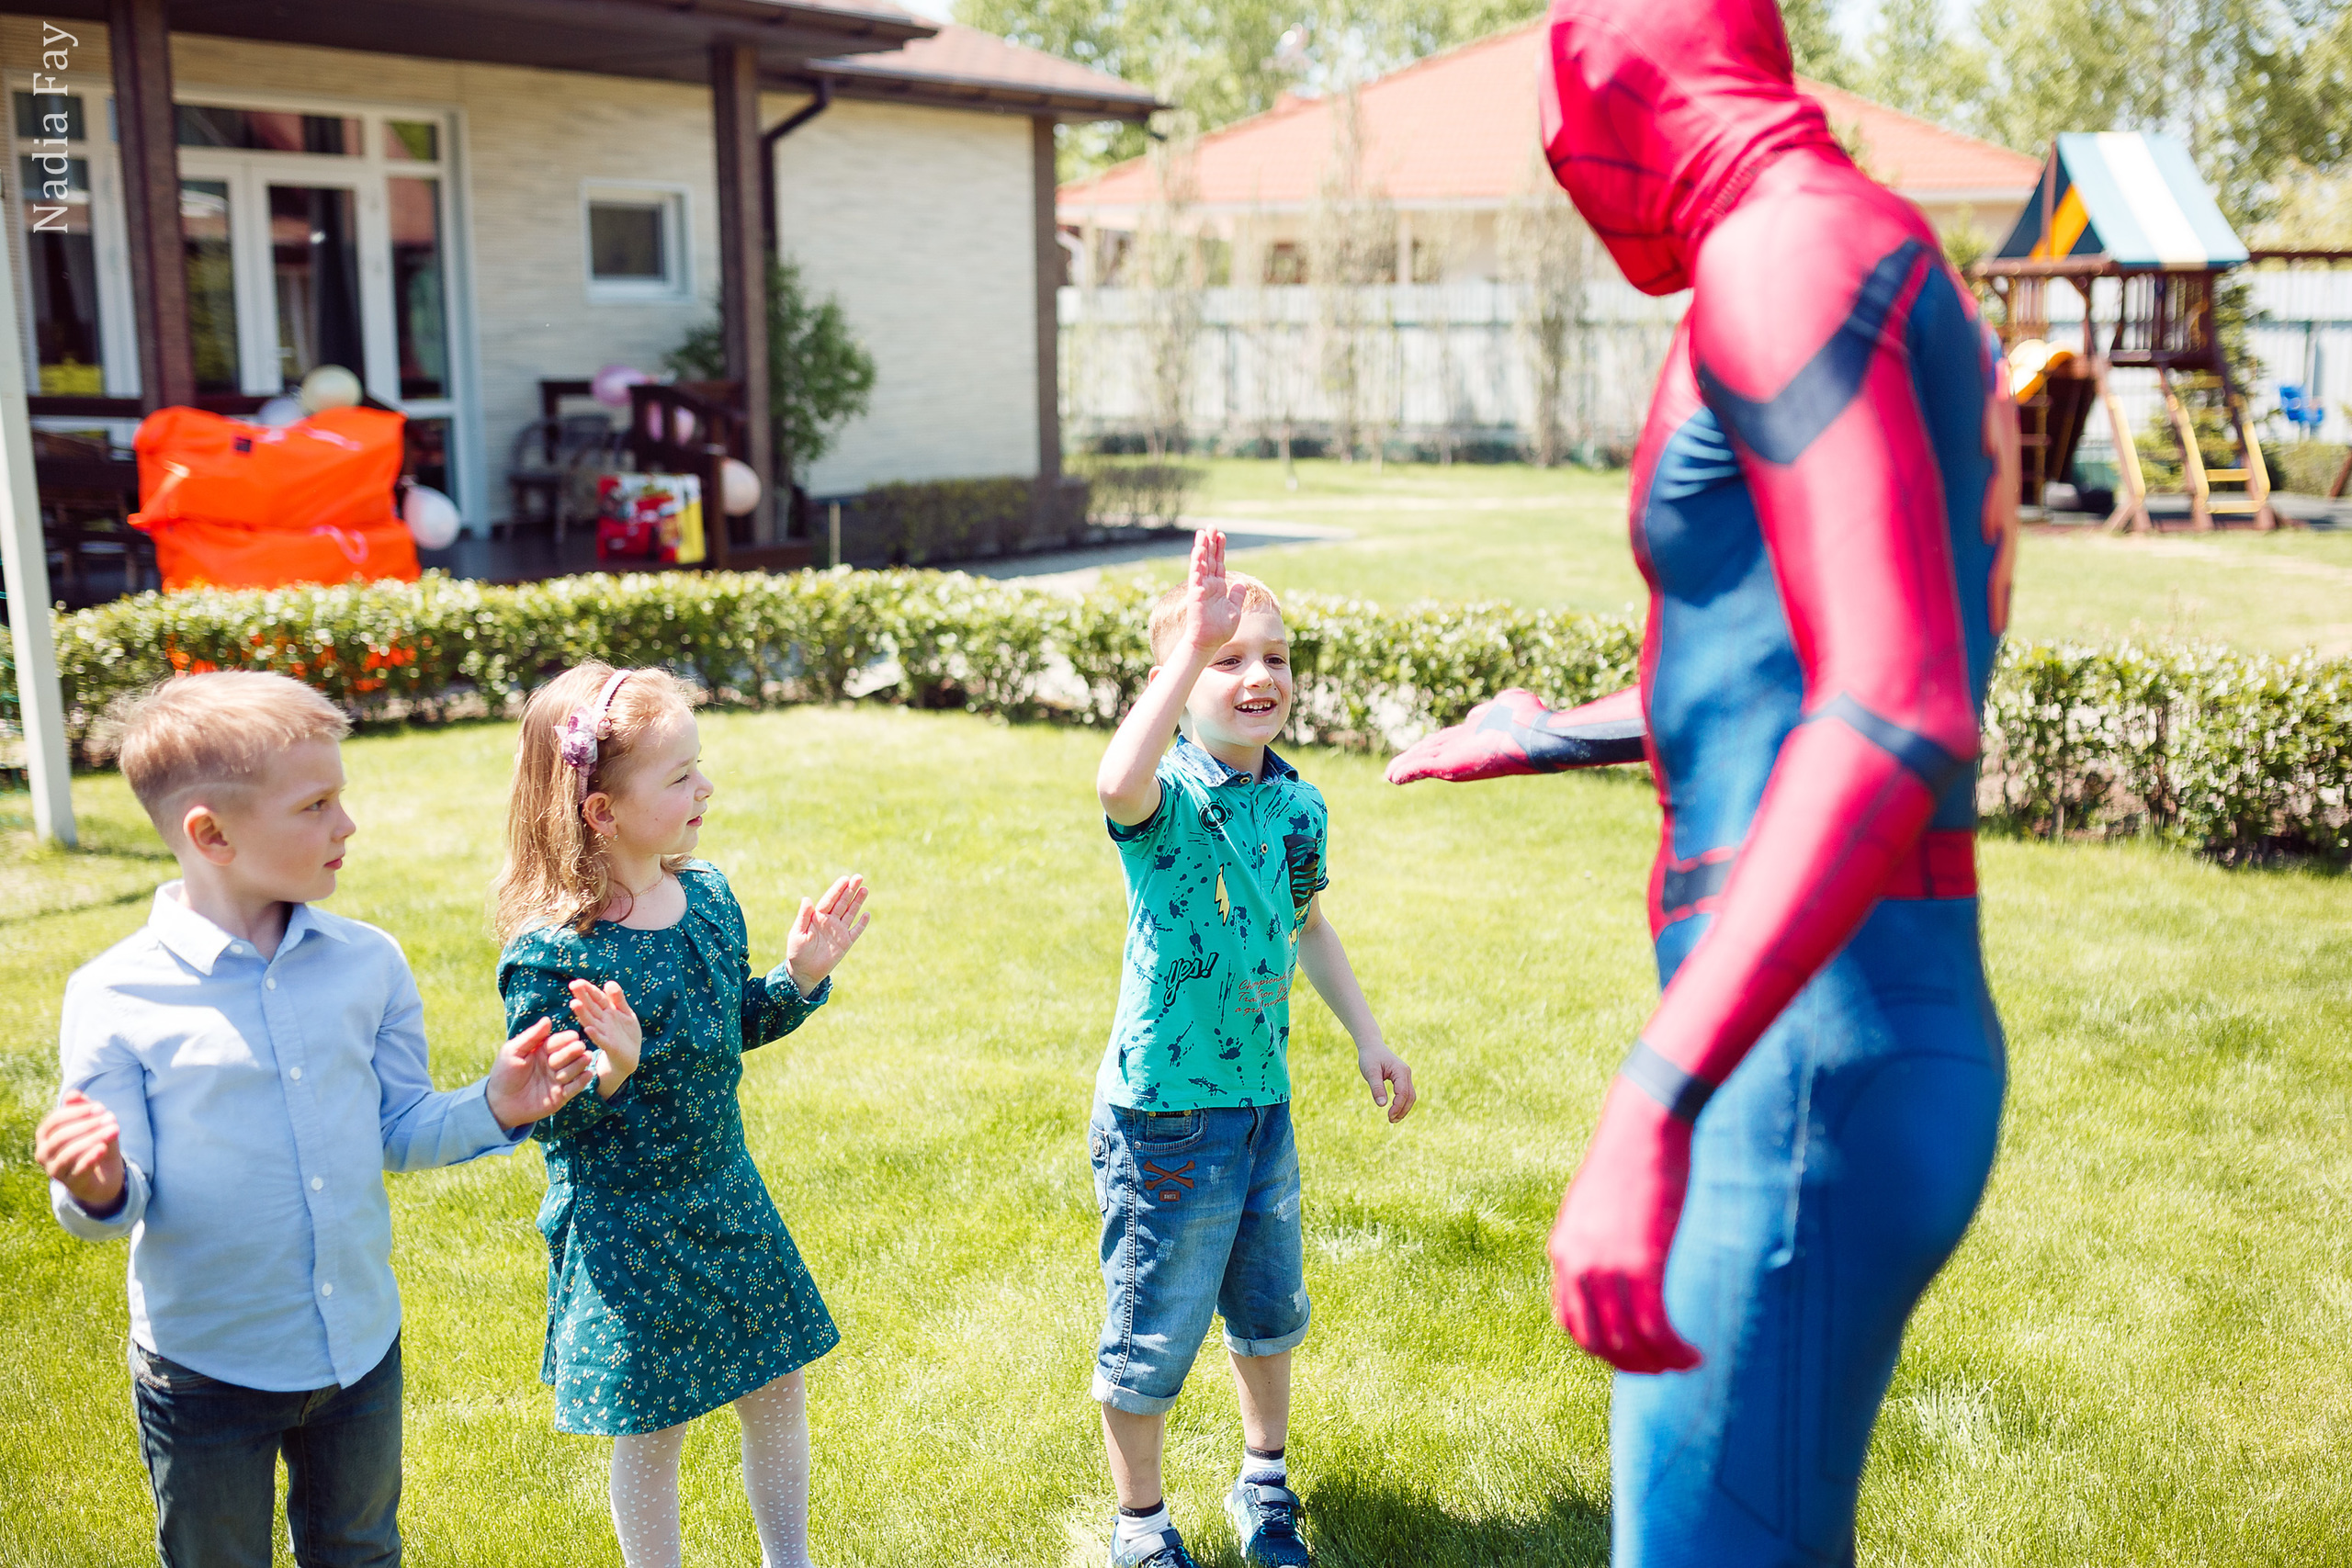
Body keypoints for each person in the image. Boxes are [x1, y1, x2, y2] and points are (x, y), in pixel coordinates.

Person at [1386, 0, 2023, 1562]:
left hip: (1809, 1051)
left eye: (1561, 151)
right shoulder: (1857, 242)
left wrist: (1656, 1099)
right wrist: (1560, 728)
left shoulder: (1780, 255)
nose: (1575, 190)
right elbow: (1830, 668)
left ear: (1608, 94)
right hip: (1859, 1024)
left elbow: (1899, 705)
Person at [32, 671, 594, 1568]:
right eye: (317, 804)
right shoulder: (112, 995)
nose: (347, 824)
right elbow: (117, 1190)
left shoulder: (367, 965)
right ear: (209, 834)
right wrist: (95, 1183)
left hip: (359, 1353)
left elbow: (398, 1126)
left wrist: (493, 1106)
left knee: (360, 1550)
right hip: (207, 1370)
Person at [1090, 530, 1419, 1568]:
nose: (1257, 675)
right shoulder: (1165, 801)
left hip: (1261, 1103)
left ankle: (1263, 1485)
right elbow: (1112, 782)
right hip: (1166, 1116)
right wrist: (1194, 643)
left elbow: (1308, 925)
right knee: (1152, 1334)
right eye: (1227, 660)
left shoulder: (1297, 804)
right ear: (1178, 683)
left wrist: (1368, 1036)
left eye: (1272, 657)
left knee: (1268, 1312)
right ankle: (1139, 1528)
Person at [493, 662, 870, 1568]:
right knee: (654, 1422)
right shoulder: (553, 954)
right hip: (627, 1221)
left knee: (776, 1384)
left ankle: (791, 1561)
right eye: (678, 776)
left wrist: (800, 978)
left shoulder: (705, 897)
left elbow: (724, 1028)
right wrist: (610, 1072)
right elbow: (549, 1123)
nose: (706, 788)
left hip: (722, 1189)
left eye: (698, 765)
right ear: (602, 813)